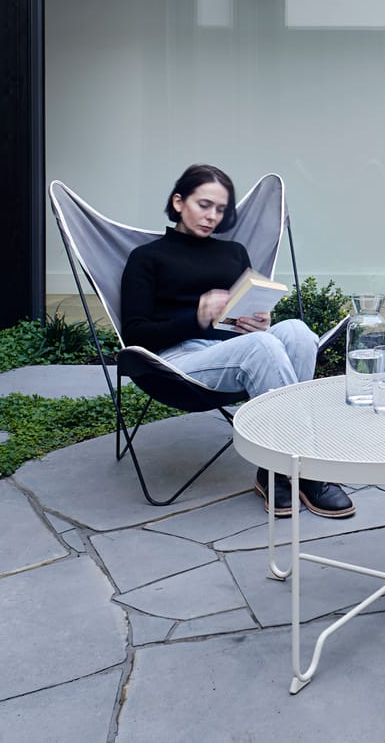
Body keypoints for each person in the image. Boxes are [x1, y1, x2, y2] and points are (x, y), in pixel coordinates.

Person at [118, 162, 353, 520]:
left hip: (238, 348)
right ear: (179, 202)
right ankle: (305, 467)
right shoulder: (147, 258)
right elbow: (135, 334)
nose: (212, 216)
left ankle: (273, 470)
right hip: (177, 361)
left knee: (297, 333)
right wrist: (196, 317)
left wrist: (258, 322)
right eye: (204, 205)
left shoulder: (234, 253)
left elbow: (248, 313)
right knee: (263, 347)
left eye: (220, 209)